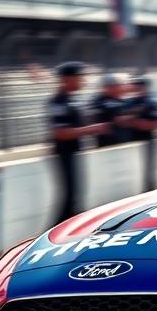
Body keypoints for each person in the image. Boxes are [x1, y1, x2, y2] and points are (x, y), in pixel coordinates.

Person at [48, 62, 107, 223]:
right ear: (68, 79)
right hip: (64, 153)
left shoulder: (73, 100)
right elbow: (60, 133)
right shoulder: (59, 103)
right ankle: (51, 234)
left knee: (75, 197)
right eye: (80, 77)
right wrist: (91, 129)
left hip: (73, 152)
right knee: (70, 198)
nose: (83, 81)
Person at [123, 74, 157, 191]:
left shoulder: (153, 102)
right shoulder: (128, 102)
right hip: (130, 141)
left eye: (141, 85)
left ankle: (149, 191)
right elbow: (121, 120)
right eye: (136, 85)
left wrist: (141, 123)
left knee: (149, 172)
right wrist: (135, 122)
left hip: (149, 140)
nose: (138, 87)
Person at [88, 72, 131, 148]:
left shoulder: (121, 101)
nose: (122, 88)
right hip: (109, 144)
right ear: (109, 87)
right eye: (119, 85)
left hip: (125, 143)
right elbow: (119, 120)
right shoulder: (100, 102)